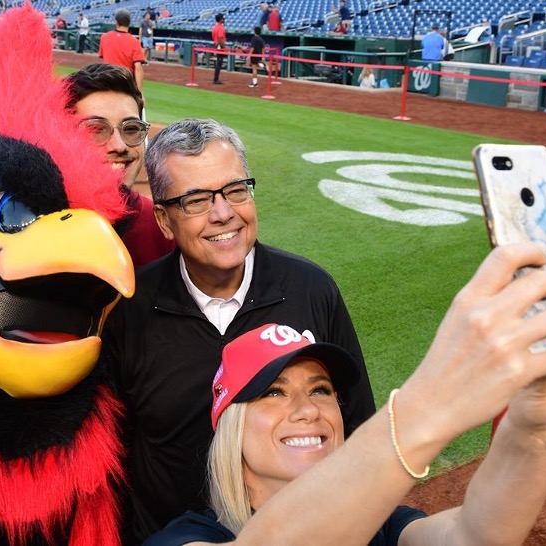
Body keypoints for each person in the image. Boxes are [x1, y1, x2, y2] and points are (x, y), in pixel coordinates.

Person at [144, 241, 546, 545]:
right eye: (272, 393)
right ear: (229, 425)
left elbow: (475, 537)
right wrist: (428, 408)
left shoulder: (381, 525)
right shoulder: (188, 537)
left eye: (321, 389)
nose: (307, 409)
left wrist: (532, 436)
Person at [104, 118, 377, 544]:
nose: (223, 213)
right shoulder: (127, 311)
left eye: (235, 190)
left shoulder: (312, 289)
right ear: (163, 220)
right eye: (195, 200)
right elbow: (109, 459)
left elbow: (358, 426)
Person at [63, 63, 174, 268]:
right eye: (96, 129)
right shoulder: (32, 225)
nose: (120, 146)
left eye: (131, 128)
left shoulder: (162, 227)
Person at [99, 9, 146, 92]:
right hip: (126, 83)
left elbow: (104, 58)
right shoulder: (134, 41)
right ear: (129, 22)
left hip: (107, 81)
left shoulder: (104, 37)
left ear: (116, 22)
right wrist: (140, 92)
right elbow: (138, 68)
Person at [211, 13, 227, 85]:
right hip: (219, 46)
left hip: (216, 45)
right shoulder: (220, 27)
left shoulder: (215, 27)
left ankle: (216, 78)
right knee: (219, 63)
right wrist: (224, 48)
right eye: (223, 18)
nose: (224, 19)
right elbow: (221, 39)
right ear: (221, 19)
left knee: (219, 62)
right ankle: (216, 79)